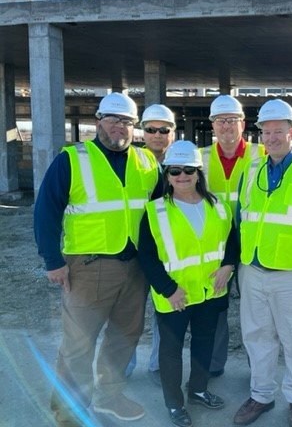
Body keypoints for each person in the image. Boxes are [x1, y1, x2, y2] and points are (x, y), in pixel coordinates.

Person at [34, 92, 160, 426]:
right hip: (87, 267)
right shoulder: (72, 159)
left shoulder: (147, 163)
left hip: (134, 268)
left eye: (127, 122)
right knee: (78, 344)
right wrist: (52, 260)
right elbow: (46, 210)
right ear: (98, 120)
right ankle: (68, 412)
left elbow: (163, 212)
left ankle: (110, 397)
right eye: (114, 119)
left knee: (125, 336)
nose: (120, 127)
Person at [233, 99, 292, 427]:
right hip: (253, 270)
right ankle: (261, 394)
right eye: (267, 131)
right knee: (256, 336)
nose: (272, 137)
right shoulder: (251, 171)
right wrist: (241, 264)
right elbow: (240, 220)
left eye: (279, 131)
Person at [137, 140, 238, 427]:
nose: (182, 177)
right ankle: (174, 404)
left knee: (204, 344)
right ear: (167, 175)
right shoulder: (155, 211)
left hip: (210, 292)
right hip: (174, 297)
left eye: (189, 170)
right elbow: (147, 255)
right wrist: (169, 289)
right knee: (170, 351)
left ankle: (197, 390)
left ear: (199, 172)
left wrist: (229, 265)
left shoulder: (218, 206)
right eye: (175, 171)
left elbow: (232, 242)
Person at [201, 95, 265, 378]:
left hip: (251, 244)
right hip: (214, 247)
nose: (226, 126)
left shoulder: (260, 154)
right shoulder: (200, 158)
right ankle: (214, 366)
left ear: (243, 123)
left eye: (232, 120)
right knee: (215, 309)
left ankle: (258, 371)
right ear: (213, 125)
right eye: (220, 121)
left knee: (255, 314)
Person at [126, 103, 177, 384]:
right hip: (135, 251)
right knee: (129, 313)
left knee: (166, 314)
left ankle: (159, 366)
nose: (157, 134)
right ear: (142, 131)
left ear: (173, 132)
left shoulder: (181, 162)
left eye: (164, 129)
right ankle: (123, 366)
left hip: (170, 252)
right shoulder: (130, 161)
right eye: (151, 129)